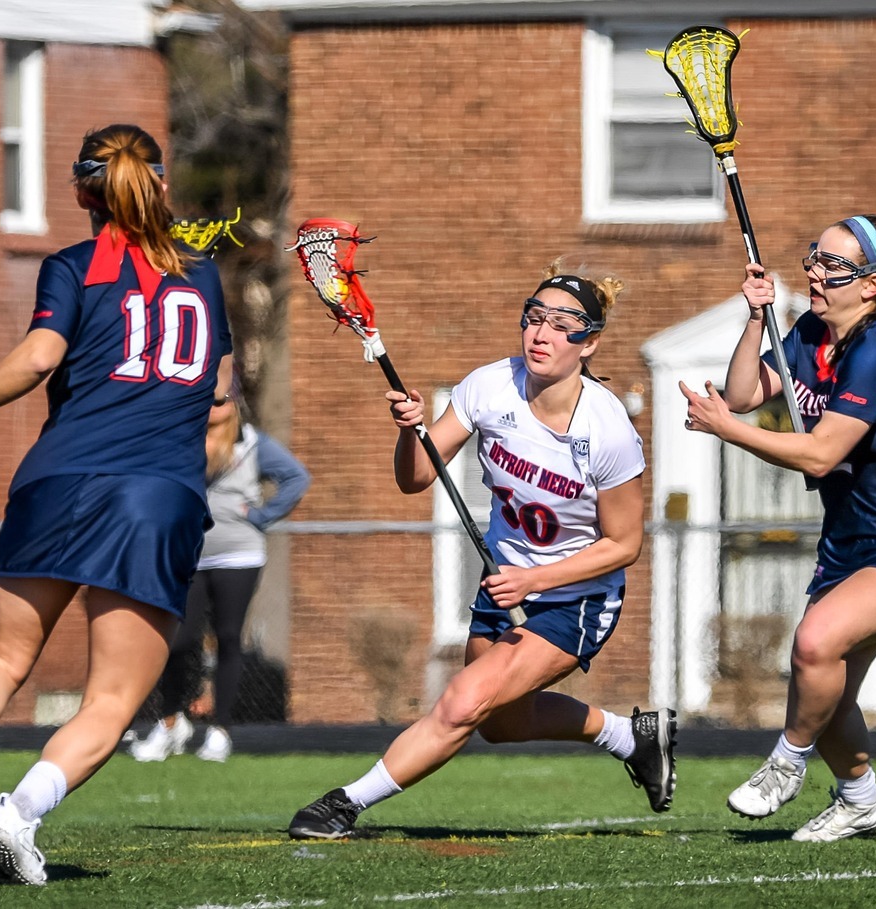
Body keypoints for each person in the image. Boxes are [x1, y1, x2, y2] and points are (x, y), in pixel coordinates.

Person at [0, 124, 234, 884]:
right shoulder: (205, 273)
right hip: (157, 495)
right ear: (156, 183)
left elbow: (42, 354)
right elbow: (214, 385)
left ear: (84, 193)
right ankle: (15, 816)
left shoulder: (70, 265)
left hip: (57, 479)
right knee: (112, 699)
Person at [288, 261, 675, 839]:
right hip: (507, 582)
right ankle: (631, 737)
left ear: (590, 342)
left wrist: (536, 582)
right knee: (500, 723)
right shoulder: (490, 386)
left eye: (563, 324)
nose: (542, 333)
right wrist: (409, 429)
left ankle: (343, 804)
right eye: (534, 318)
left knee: (465, 699)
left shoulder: (608, 429)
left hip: (575, 596)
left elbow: (625, 545)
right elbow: (416, 477)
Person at [680, 214, 876, 842]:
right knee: (829, 684)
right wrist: (757, 318)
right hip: (852, 538)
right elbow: (742, 393)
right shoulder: (812, 330)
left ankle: (786, 762)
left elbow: (819, 452)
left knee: (815, 641)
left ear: (871, 285)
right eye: (814, 256)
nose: (815, 271)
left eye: (833, 265)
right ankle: (859, 799)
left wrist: (725, 429)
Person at [130, 391, 310, 762]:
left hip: (239, 555)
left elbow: (295, 478)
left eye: (221, 399)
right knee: (178, 640)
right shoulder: (183, 438)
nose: (213, 406)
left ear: (235, 404)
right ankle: (170, 723)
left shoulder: (252, 443)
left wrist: (261, 515)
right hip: (190, 555)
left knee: (228, 638)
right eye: (207, 399)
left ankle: (220, 730)